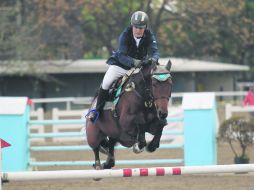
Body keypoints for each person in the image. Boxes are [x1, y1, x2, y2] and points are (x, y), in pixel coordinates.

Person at [86, 11, 160, 122]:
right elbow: (121, 56)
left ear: (145, 27)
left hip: (138, 69)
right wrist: (135, 62)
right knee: (106, 82)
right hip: (121, 66)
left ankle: (155, 112)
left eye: (141, 28)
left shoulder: (149, 35)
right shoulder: (125, 35)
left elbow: (155, 52)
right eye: (136, 27)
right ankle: (96, 111)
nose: (138, 30)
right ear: (132, 25)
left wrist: (154, 59)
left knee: (151, 83)